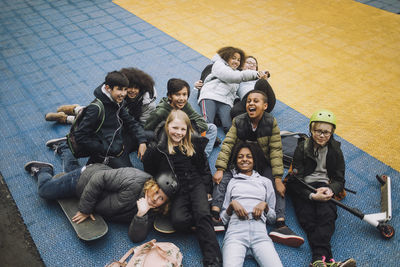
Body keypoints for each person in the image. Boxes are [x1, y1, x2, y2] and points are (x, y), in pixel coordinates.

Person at [212, 90, 304, 247]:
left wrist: (277, 178)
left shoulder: (270, 122)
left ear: (265, 106)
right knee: (223, 179)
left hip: (262, 162)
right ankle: (215, 217)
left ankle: (280, 224)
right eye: (248, 101)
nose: (251, 104)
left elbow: (276, 150)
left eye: (256, 101)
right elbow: (227, 144)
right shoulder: (239, 121)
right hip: (241, 159)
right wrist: (220, 167)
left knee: (278, 186)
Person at [23, 152, 178, 243]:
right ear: (152, 185)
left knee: (70, 169)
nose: (155, 199)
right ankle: (43, 170)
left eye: (161, 199)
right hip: (85, 179)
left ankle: (64, 148)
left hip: (93, 193)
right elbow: (99, 178)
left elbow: (135, 238)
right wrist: (85, 209)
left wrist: (140, 215)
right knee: (45, 191)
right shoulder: (134, 179)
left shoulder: (151, 210)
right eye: (156, 192)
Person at [143, 110, 222, 267]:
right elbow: (149, 167)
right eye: (175, 128)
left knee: (202, 215)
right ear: (167, 126)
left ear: (187, 130)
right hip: (177, 186)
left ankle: (213, 261)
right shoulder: (158, 147)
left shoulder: (193, 144)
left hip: (195, 182)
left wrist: (207, 189)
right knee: (179, 221)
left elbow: (204, 168)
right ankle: (204, 222)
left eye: (182, 129)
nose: (178, 133)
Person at [286, 109, 356, 267]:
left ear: (332, 133)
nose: (322, 135)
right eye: (318, 131)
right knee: (308, 218)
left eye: (326, 132)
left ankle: (318, 261)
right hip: (304, 185)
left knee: (327, 216)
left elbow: (339, 179)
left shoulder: (336, 150)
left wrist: (331, 189)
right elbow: (295, 180)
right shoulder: (302, 148)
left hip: (325, 185)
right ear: (311, 129)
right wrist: (311, 196)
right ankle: (327, 261)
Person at [46, 71, 147, 169]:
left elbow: (130, 121)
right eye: (119, 89)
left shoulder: (117, 101)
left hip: (115, 141)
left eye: (125, 89)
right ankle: (63, 147)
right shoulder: (96, 108)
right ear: (108, 88)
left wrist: (142, 141)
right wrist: (105, 149)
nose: (123, 93)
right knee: (81, 178)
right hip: (105, 151)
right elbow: (80, 137)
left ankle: (71, 112)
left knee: (149, 135)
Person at [221, 141, 282, 267]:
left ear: (254, 160)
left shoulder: (266, 182)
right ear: (236, 161)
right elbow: (222, 220)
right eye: (240, 156)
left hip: (260, 235)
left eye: (248, 156)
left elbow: (272, 218)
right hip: (235, 235)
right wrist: (232, 205)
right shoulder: (232, 182)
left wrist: (265, 206)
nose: (244, 159)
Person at [45, 68, 157, 126]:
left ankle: (65, 118)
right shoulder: (120, 93)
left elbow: (142, 124)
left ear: (142, 88)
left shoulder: (148, 104)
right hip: (119, 117)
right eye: (129, 87)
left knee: (101, 123)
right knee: (97, 115)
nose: (132, 91)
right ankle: (75, 109)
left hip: (127, 122)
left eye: (136, 88)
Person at [197, 47, 267, 133]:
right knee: (207, 121)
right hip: (210, 96)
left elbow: (238, 91)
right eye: (233, 58)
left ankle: (238, 143)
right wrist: (256, 74)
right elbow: (232, 77)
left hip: (225, 101)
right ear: (226, 58)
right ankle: (204, 140)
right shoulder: (219, 65)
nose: (236, 61)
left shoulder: (238, 74)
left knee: (229, 127)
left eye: (238, 60)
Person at [145, 78, 217, 157]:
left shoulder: (185, 105)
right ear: (169, 96)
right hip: (171, 138)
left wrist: (185, 129)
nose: (182, 98)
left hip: (184, 133)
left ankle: (203, 155)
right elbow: (147, 129)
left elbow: (202, 124)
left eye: (184, 94)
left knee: (212, 128)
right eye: (177, 94)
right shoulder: (160, 113)